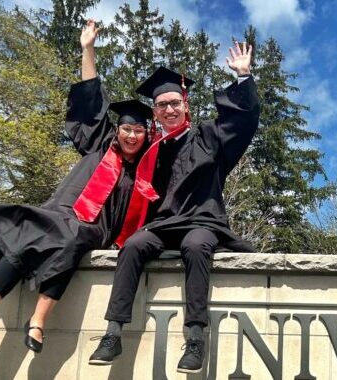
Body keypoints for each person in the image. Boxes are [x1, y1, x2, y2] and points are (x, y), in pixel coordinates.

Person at [0, 20, 154, 353]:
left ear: (146, 135)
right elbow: (91, 101)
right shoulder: (100, 144)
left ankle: (38, 320)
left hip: (91, 228)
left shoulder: (144, 171)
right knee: (27, 241)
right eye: (127, 129)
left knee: (71, 239)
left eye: (139, 131)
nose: (131, 135)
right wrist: (88, 49)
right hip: (61, 210)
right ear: (118, 131)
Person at [88, 42, 259, 373]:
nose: (169, 110)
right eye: (162, 105)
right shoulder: (152, 150)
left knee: (195, 246)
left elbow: (242, 123)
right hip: (165, 225)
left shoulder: (208, 136)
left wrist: (243, 77)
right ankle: (113, 333)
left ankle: (195, 338)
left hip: (202, 221)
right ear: (155, 111)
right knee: (134, 245)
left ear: (185, 104)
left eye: (174, 103)